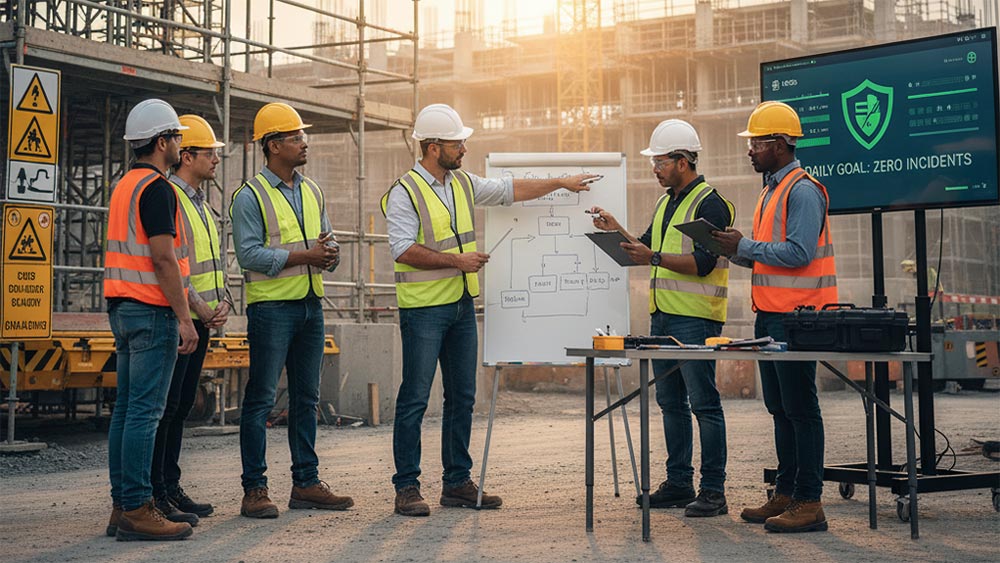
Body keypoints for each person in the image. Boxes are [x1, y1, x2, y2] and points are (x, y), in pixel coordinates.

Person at [382, 103, 598, 517]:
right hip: (424, 311)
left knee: (462, 397)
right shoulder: (404, 192)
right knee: (414, 399)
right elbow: (402, 250)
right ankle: (407, 487)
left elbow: (508, 189)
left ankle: (456, 483)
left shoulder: (461, 183)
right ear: (431, 147)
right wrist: (456, 261)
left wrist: (560, 183)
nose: (463, 148)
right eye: (456, 142)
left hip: (461, 307)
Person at [589, 119, 733, 517]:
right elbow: (648, 245)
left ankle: (713, 491)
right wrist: (614, 228)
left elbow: (704, 263)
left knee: (704, 403)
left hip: (696, 320)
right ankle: (680, 483)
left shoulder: (710, 204)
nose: (654, 168)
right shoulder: (667, 201)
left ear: (683, 160)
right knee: (670, 401)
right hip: (664, 317)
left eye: (660, 161)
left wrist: (651, 257)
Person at [712, 101, 838, 533]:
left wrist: (745, 247)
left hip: (798, 320)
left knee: (801, 409)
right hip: (771, 317)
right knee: (780, 408)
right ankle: (785, 493)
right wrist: (735, 250)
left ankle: (809, 501)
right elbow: (773, 258)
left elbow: (799, 253)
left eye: (757, 143)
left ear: (781, 145)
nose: (750, 150)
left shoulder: (802, 190)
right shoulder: (771, 190)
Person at [230, 102, 350, 518]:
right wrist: (306, 256)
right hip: (272, 310)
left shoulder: (312, 190)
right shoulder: (250, 196)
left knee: (307, 397)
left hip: (309, 306)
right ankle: (255, 490)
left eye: (303, 135)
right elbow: (247, 255)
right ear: (274, 144)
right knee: (261, 399)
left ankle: (306, 483)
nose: (305, 142)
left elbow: (326, 242)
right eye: (296, 136)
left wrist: (329, 255)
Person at [104, 98, 197, 541]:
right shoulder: (158, 189)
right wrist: (185, 318)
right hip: (151, 308)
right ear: (162, 142)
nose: (181, 144)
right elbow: (163, 258)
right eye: (177, 137)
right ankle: (139, 507)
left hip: (121, 308)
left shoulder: (125, 185)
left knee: (125, 411)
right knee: (145, 413)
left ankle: (122, 506)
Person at [148, 114, 233, 525]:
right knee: (166, 407)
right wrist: (197, 307)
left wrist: (224, 301)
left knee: (180, 406)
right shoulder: (172, 197)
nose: (216, 159)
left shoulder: (201, 203)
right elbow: (172, 265)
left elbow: (212, 261)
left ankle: (170, 485)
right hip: (181, 314)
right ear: (187, 155)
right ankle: (156, 492)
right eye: (209, 153)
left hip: (202, 316)